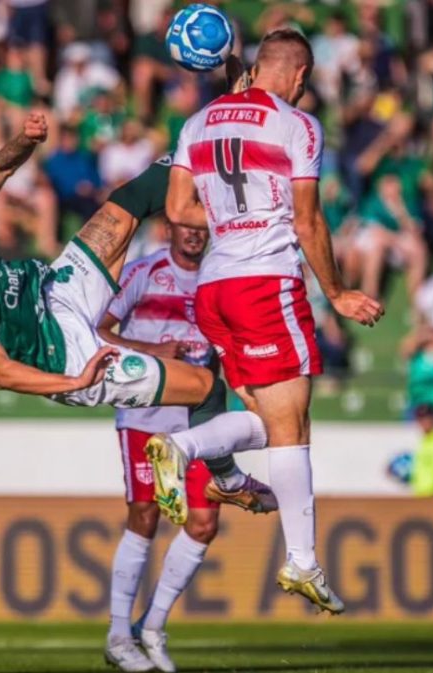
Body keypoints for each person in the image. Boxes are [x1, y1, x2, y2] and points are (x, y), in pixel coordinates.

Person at [0, 113, 273, 515]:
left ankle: (217, 137)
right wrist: (75, 381)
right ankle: (228, 482)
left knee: (129, 200)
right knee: (205, 386)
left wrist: (25, 139)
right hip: (67, 355)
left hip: (58, 288)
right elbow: (0, 373)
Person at [163, 29, 385, 612]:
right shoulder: (298, 125)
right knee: (294, 426)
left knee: (270, 421)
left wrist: (232, 220)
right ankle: (302, 561)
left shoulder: (197, 123)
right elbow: (308, 220)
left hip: (213, 288)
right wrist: (336, 293)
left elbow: (178, 209)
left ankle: (189, 451)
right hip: (264, 285)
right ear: (301, 76)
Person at [98, 223, 259, 672]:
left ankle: (151, 626)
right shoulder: (144, 273)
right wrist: (151, 350)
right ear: (170, 227)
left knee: (204, 524)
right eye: (186, 226)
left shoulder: (219, 277)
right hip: (146, 416)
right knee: (145, 516)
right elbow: (100, 331)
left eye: (201, 228)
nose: (194, 235)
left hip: (199, 421)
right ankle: (117, 634)